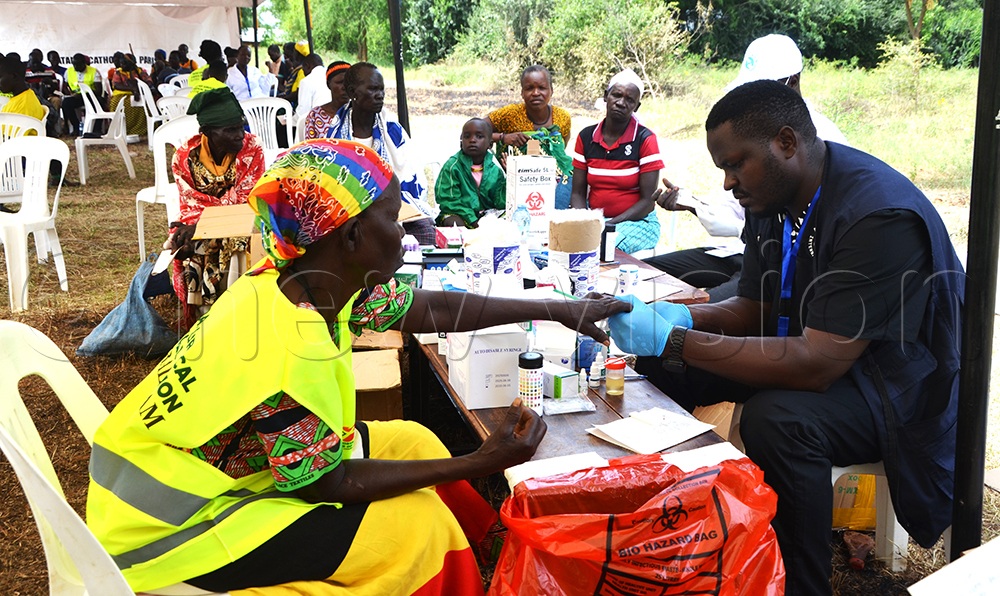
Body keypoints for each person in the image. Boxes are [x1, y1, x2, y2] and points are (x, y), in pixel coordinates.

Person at [85, 137, 628, 594]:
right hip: (168, 532)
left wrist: (561, 308)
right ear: (349, 236)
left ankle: (491, 554)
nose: (409, 230)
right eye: (394, 217)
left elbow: (430, 307)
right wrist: (479, 462)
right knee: (415, 528)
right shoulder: (288, 345)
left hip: (205, 474)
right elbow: (327, 481)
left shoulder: (308, 279)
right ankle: (453, 571)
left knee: (414, 439)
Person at [607, 80, 964, 596]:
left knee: (781, 420)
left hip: (894, 385)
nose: (727, 184)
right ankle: (676, 539)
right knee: (664, 366)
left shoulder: (876, 215)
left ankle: (800, 584)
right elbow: (753, 308)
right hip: (816, 354)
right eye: (723, 169)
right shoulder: (771, 197)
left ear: (786, 142)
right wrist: (677, 319)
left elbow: (816, 364)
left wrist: (677, 340)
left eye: (735, 164)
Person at [644, 33, 849, 302]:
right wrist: (693, 204)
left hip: (779, 265)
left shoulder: (820, 142)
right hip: (737, 253)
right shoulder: (751, 135)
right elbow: (735, 209)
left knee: (698, 307)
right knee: (645, 276)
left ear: (793, 82)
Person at [167, 87, 266, 328]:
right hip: (201, 222)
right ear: (207, 132)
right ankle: (205, 320)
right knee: (183, 242)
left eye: (241, 126)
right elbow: (190, 203)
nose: (240, 135)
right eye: (230, 130)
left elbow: (248, 200)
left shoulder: (253, 149)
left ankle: (239, 313)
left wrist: (203, 225)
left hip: (246, 222)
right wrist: (195, 228)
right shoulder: (184, 158)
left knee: (236, 240)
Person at [326, 62, 438, 244]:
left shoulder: (392, 131)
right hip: (350, 210)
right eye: (372, 89)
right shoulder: (335, 135)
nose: (380, 96)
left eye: (381, 90)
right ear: (353, 92)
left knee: (426, 233)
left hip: (393, 207)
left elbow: (410, 175)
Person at [570, 69, 664, 254]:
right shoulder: (587, 137)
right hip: (597, 220)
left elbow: (647, 201)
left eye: (630, 100)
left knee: (605, 246)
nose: (621, 103)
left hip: (638, 223)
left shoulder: (645, 139)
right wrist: (586, 222)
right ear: (606, 96)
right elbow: (578, 193)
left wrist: (609, 224)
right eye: (617, 95)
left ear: (637, 106)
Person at [487, 64, 573, 209]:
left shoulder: (562, 118)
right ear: (522, 93)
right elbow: (472, 133)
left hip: (552, 182)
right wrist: (503, 137)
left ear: (551, 91)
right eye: (529, 88)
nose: (535, 93)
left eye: (542, 88)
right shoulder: (509, 115)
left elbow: (561, 149)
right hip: (513, 181)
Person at [436, 118, 506, 228]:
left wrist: (510, 177)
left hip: (487, 214)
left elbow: (501, 202)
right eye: (467, 136)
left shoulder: (495, 169)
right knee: (453, 223)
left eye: (479, 136)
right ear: (461, 141)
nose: (472, 140)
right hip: (460, 214)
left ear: (490, 144)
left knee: (509, 219)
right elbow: (448, 200)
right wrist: (472, 220)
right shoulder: (452, 167)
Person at [302, 60, 350, 139]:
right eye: (340, 82)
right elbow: (310, 147)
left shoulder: (358, 114)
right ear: (328, 84)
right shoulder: (315, 115)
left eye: (349, 83)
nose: (344, 87)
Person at [109, 55, 153, 136]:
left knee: (146, 103)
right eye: (121, 63)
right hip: (122, 94)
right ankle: (121, 129)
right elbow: (116, 85)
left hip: (139, 93)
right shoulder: (118, 72)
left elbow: (149, 82)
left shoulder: (140, 71)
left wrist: (139, 88)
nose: (122, 65)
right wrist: (133, 89)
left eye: (125, 63)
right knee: (116, 103)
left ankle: (140, 130)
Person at [61, 52, 103, 136]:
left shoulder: (94, 72)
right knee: (66, 103)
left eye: (78, 64)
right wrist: (69, 93)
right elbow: (65, 86)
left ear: (84, 63)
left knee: (100, 102)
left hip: (91, 95)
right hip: (76, 96)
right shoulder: (68, 71)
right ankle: (76, 127)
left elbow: (99, 91)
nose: (75, 67)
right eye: (74, 64)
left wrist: (83, 94)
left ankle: (96, 130)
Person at [294, 53, 330, 119]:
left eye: (303, 69)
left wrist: (289, 120)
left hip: (317, 121)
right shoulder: (330, 75)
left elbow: (302, 113)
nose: (304, 73)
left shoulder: (306, 81)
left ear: (307, 66)